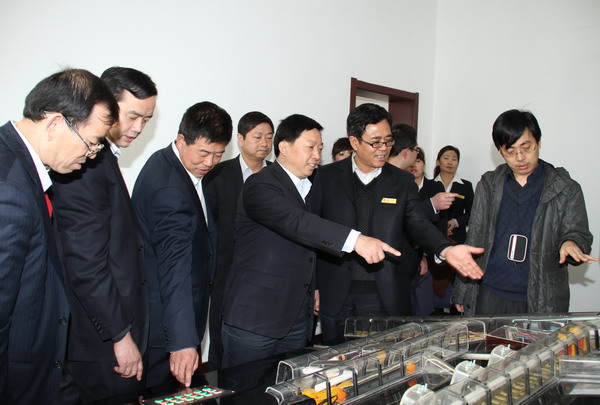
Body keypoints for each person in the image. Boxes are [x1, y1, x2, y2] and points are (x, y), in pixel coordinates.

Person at [221, 114, 402, 368]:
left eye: (320, 148)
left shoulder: (307, 187)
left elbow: (309, 247)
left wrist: (314, 287)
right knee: (246, 387)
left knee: (290, 385)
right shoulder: (260, 184)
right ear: (284, 148)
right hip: (256, 319)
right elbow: (298, 223)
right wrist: (356, 240)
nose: (317, 155)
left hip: (297, 319)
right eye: (310, 147)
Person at [313, 103, 484, 345]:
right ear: (354, 142)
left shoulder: (402, 181)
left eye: (388, 141)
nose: (384, 149)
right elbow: (313, 231)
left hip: (383, 293)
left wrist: (445, 248)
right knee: (335, 360)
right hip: (335, 291)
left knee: (381, 359)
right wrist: (314, 287)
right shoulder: (326, 177)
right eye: (375, 142)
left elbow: (418, 222)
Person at [0, 69, 118, 404]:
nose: (92, 154)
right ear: (54, 124)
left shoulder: (18, 167)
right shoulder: (8, 189)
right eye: (91, 142)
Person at [50, 67, 157, 403]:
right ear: (104, 106)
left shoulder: (102, 157)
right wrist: (120, 336)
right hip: (102, 342)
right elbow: (85, 263)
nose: (138, 128)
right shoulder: (83, 162)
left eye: (146, 120)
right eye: (133, 116)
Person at [453, 109, 597, 316]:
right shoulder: (489, 184)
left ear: (539, 142)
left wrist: (571, 243)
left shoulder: (565, 187)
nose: (520, 158)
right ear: (500, 151)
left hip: (541, 297)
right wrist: (463, 290)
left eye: (526, 148)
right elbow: (474, 236)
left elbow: (577, 231)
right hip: (490, 291)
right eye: (510, 151)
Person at [132, 102, 232, 388]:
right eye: (203, 153)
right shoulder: (169, 190)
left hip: (172, 315)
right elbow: (174, 267)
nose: (210, 162)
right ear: (181, 140)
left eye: (218, 154)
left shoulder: (168, 162)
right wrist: (182, 341)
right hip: (166, 325)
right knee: (164, 393)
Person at [203, 111, 274, 370]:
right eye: (258, 136)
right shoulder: (217, 174)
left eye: (269, 137)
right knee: (221, 343)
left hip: (267, 275)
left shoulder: (278, 176)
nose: (264, 143)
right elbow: (209, 226)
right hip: (226, 273)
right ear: (240, 139)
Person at [433, 145, 474, 244]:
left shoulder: (466, 186)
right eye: (446, 158)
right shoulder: (430, 185)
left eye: (454, 159)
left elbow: (473, 213)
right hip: (433, 236)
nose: (450, 162)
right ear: (438, 162)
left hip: (457, 238)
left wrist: (456, 222)